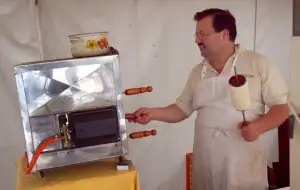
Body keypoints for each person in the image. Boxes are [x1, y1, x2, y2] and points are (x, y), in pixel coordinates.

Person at [132, 8, 289, 190]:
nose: (197, 40)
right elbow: (182, 109)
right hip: (207, 161)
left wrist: (258, 127)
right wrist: (152, 113)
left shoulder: (258, 64)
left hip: (244, 164)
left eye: (203, 34)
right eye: (196, 35)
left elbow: (281, 108)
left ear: (224, 34)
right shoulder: (198, 72)